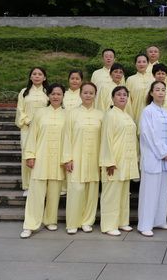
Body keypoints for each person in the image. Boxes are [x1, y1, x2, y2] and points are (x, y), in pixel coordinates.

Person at [20, 83, 66, 239]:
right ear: (48, 96)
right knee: (36, 193)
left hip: (58, 158)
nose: (55, 96)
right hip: (41, 156)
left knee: (54, 191)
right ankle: (30, 224)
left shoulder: (67, 115)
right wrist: (30, 155)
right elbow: (32, 135)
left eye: (59, 94)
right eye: (53, 94)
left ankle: (50, 220)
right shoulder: (40, 113)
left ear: (63, 96)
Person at [62, 82, 104, 234]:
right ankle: (72, 223)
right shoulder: (72, 114)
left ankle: (87, 221)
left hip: (94, 158)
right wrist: (67, 158)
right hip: (76, 157)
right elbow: (66, 137)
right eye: (85, 92)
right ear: (80, 94)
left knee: (91, 191)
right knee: (76, 190)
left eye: (91, 93)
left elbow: (103, 140)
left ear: (95, 95)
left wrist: (103, 160)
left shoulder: (100, 115)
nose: (88, 95)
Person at [99, 86, 140, 236]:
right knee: (111, 193)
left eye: (124, 95)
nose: (122, 97)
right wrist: (109, 161)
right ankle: (109, 225)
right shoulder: (110, 115)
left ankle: (122, 221)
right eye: (119, 95)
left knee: (123, 193)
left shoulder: (127, 115)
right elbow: (106, 139)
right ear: (112, 98)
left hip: (126, 160)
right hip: (114, 161)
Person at [138, 81, 167, 237]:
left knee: (162, 191)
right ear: (151, 93)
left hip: (165, 158)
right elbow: (148, 134)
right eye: (157, 90)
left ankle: (159, 220)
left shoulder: (165, 111)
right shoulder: (148, 111)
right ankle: (145, 224)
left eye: (163, 90)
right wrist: (163, 152)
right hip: (153, 156)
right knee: (150, 192)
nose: (160, 92)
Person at [15, 67, 49, 195]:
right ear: (30, 77)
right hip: (27, 128)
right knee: (27, 155)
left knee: (42, 155)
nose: (37, 76)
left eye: (40, 74)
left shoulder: (48, 92)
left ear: (44, 77)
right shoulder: (24, 92)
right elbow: (20, 109)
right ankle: (28, 186)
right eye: (34, 74)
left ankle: (42, 184)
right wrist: (28, 121)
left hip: (44, 129)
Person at [126, 54, 155, 123]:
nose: (141, 64)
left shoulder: (153, 79)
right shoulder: (130, 80)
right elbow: (127, 100)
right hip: (136, 113)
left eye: (144, 62)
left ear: (148, 64)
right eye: (139, 62)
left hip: (153, 114)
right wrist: (130, 115)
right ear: (135, 64)